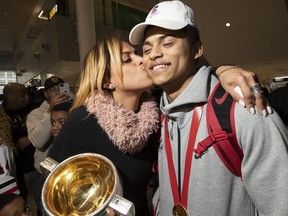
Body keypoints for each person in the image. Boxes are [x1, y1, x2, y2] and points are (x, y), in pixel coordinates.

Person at [129, 1, 288, 215]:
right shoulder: (158, 116)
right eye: (146, 49)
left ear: (197, 50)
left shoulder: (243, 107)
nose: (153, 54)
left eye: (167, 44)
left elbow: (280, 203)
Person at [26, 76, 71, 215]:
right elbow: (38, 142)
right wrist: (50, 110)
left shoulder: (73, 107)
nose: (57, 92)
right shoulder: (37, 114)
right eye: (52, 89)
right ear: (45, 94)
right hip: (45, 174)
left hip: (68, 171)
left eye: (60, 87)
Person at [0, 83, 37, 210]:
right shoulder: (2, 115)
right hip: (17, 171)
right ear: (9, 97)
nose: (27, 97)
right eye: (23, 94)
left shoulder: (33, 108)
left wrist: (30, 138)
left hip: (36, 166)